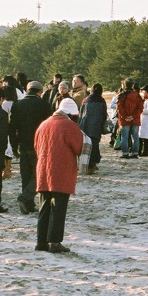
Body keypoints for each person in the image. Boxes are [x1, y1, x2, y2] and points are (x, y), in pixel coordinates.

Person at [34, 96, 86, 253]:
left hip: (43, 170)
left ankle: (41, 242)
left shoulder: (43, 124)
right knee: (58, 208)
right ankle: (55, 242)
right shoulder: (70, 126)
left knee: (44, 206)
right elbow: (79, 148)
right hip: (62, 171)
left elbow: (36, 146)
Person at [9, 80, 52, 214]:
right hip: (39, 145)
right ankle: (25, 198)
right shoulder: (44, 105)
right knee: (39, 174)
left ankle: (28, 204)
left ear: (27, 90)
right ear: (40, 91)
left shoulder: (17, 105)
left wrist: (14, 146)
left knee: (26, 175)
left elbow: (12, 128)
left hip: (23, 144)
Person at [79, 83, 108, 174]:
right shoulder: (102, 101)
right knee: (95, 145)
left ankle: (86, 164)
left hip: (85, 125)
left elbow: (81, 113)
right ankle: (93, 164)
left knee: (86, 145)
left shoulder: (86, 100)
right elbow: (104, 115)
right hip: (96, 126)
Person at [116, 78, 144, 159]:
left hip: (124, 119)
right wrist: (133, 116)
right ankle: (135, 153)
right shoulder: (137, 95)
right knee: (135, 137)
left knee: (124, 137)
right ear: (132, 85)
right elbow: (140, 108)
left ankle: (125, 153)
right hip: (135, 119)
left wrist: (125, 116)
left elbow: (119, 108)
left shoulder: (121, 95)